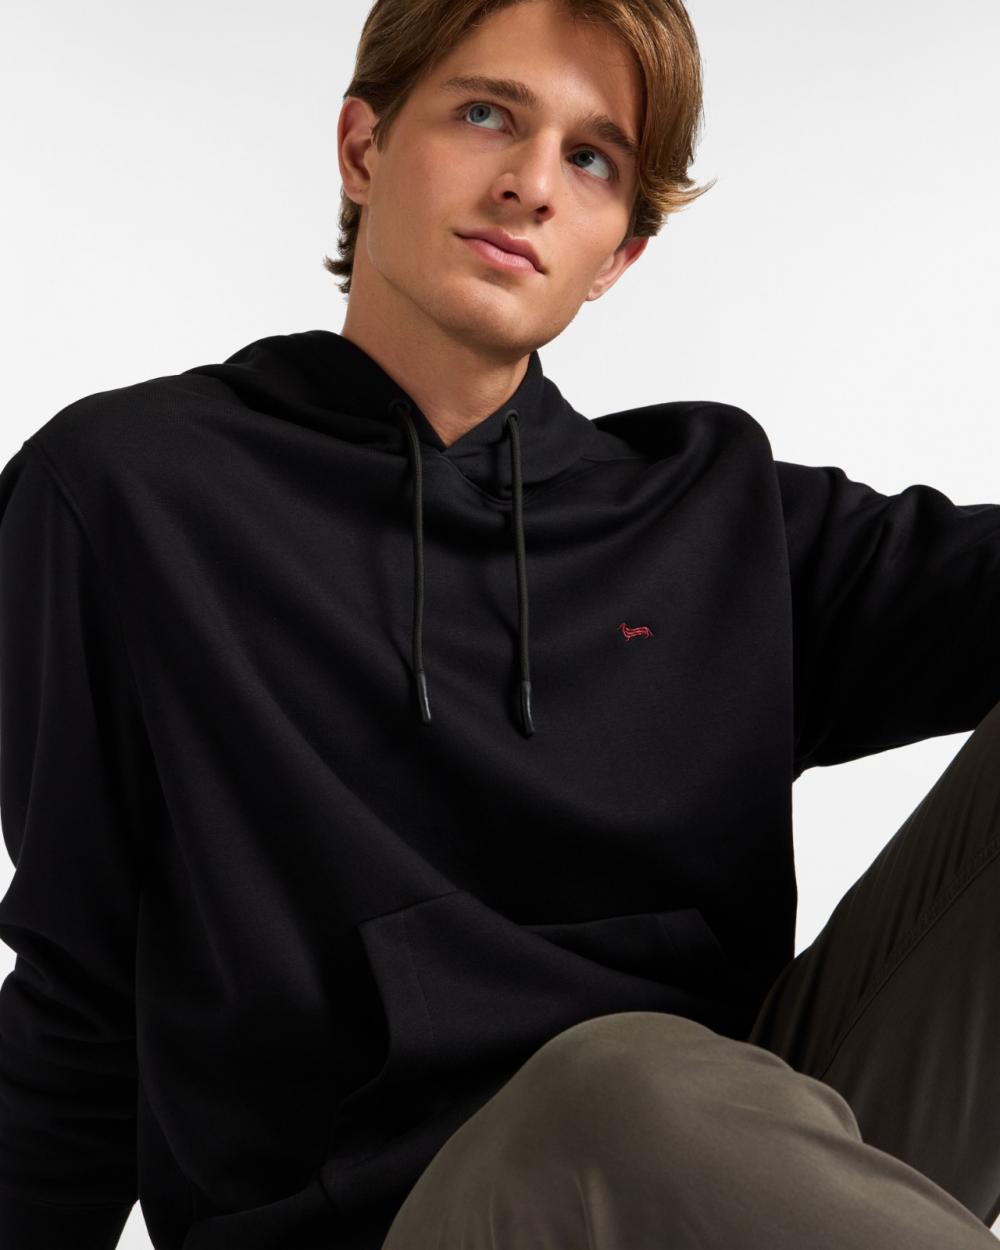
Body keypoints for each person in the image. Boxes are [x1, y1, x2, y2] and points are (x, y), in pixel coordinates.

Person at [1, 1, 998, 1247]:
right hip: (401, 1222)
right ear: (363, 147)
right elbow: (79, 991)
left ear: (618, 252)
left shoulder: (715, 516)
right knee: (611, 1086)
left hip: (736, 1180)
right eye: (486, 114)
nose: (531, 184)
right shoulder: (131, 492)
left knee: (645, 1086)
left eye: (592, 158)